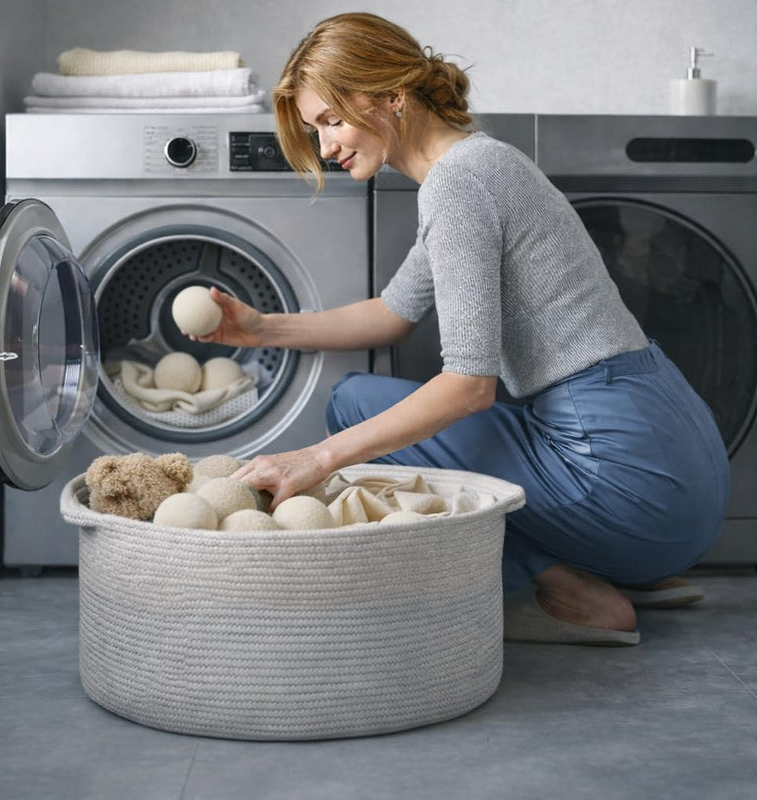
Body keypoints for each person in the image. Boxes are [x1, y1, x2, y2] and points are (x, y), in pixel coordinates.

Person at [193, 12, 730, 645]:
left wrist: (311, 459)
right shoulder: (481, 165)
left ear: (392, 95)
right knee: (362, 402)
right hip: (681, 468)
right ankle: (622, 567)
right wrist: (259, 327)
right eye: (317, 130)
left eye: (332, 121)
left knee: (351, 407)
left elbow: (469, 387)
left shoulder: (458, 183)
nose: (327, 147)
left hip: (626, 482)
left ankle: (567, 585)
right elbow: (392, 313)